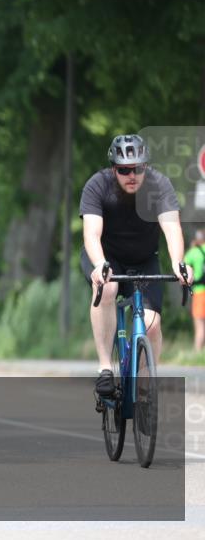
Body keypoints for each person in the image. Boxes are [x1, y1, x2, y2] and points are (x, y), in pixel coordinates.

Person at [81, 134, 193, 397]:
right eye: (124, 170)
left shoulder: (159, 185)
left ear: (146, 166)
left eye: (138, 168)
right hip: (105, 256)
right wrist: (99, 265)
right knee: (108, 289)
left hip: (144, 258)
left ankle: (144, 390)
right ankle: (105, 369)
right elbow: (91, 234)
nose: (132, 175)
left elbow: (172, 228)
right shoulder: (97, 185)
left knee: (152, 325)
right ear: (113, 169)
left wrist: (178, 262)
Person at [185, 230, 205, 351]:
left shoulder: (193, 252)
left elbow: (182, 265)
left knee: (199, 325)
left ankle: (197, 353)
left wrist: (192, 247)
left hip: (199, 292)